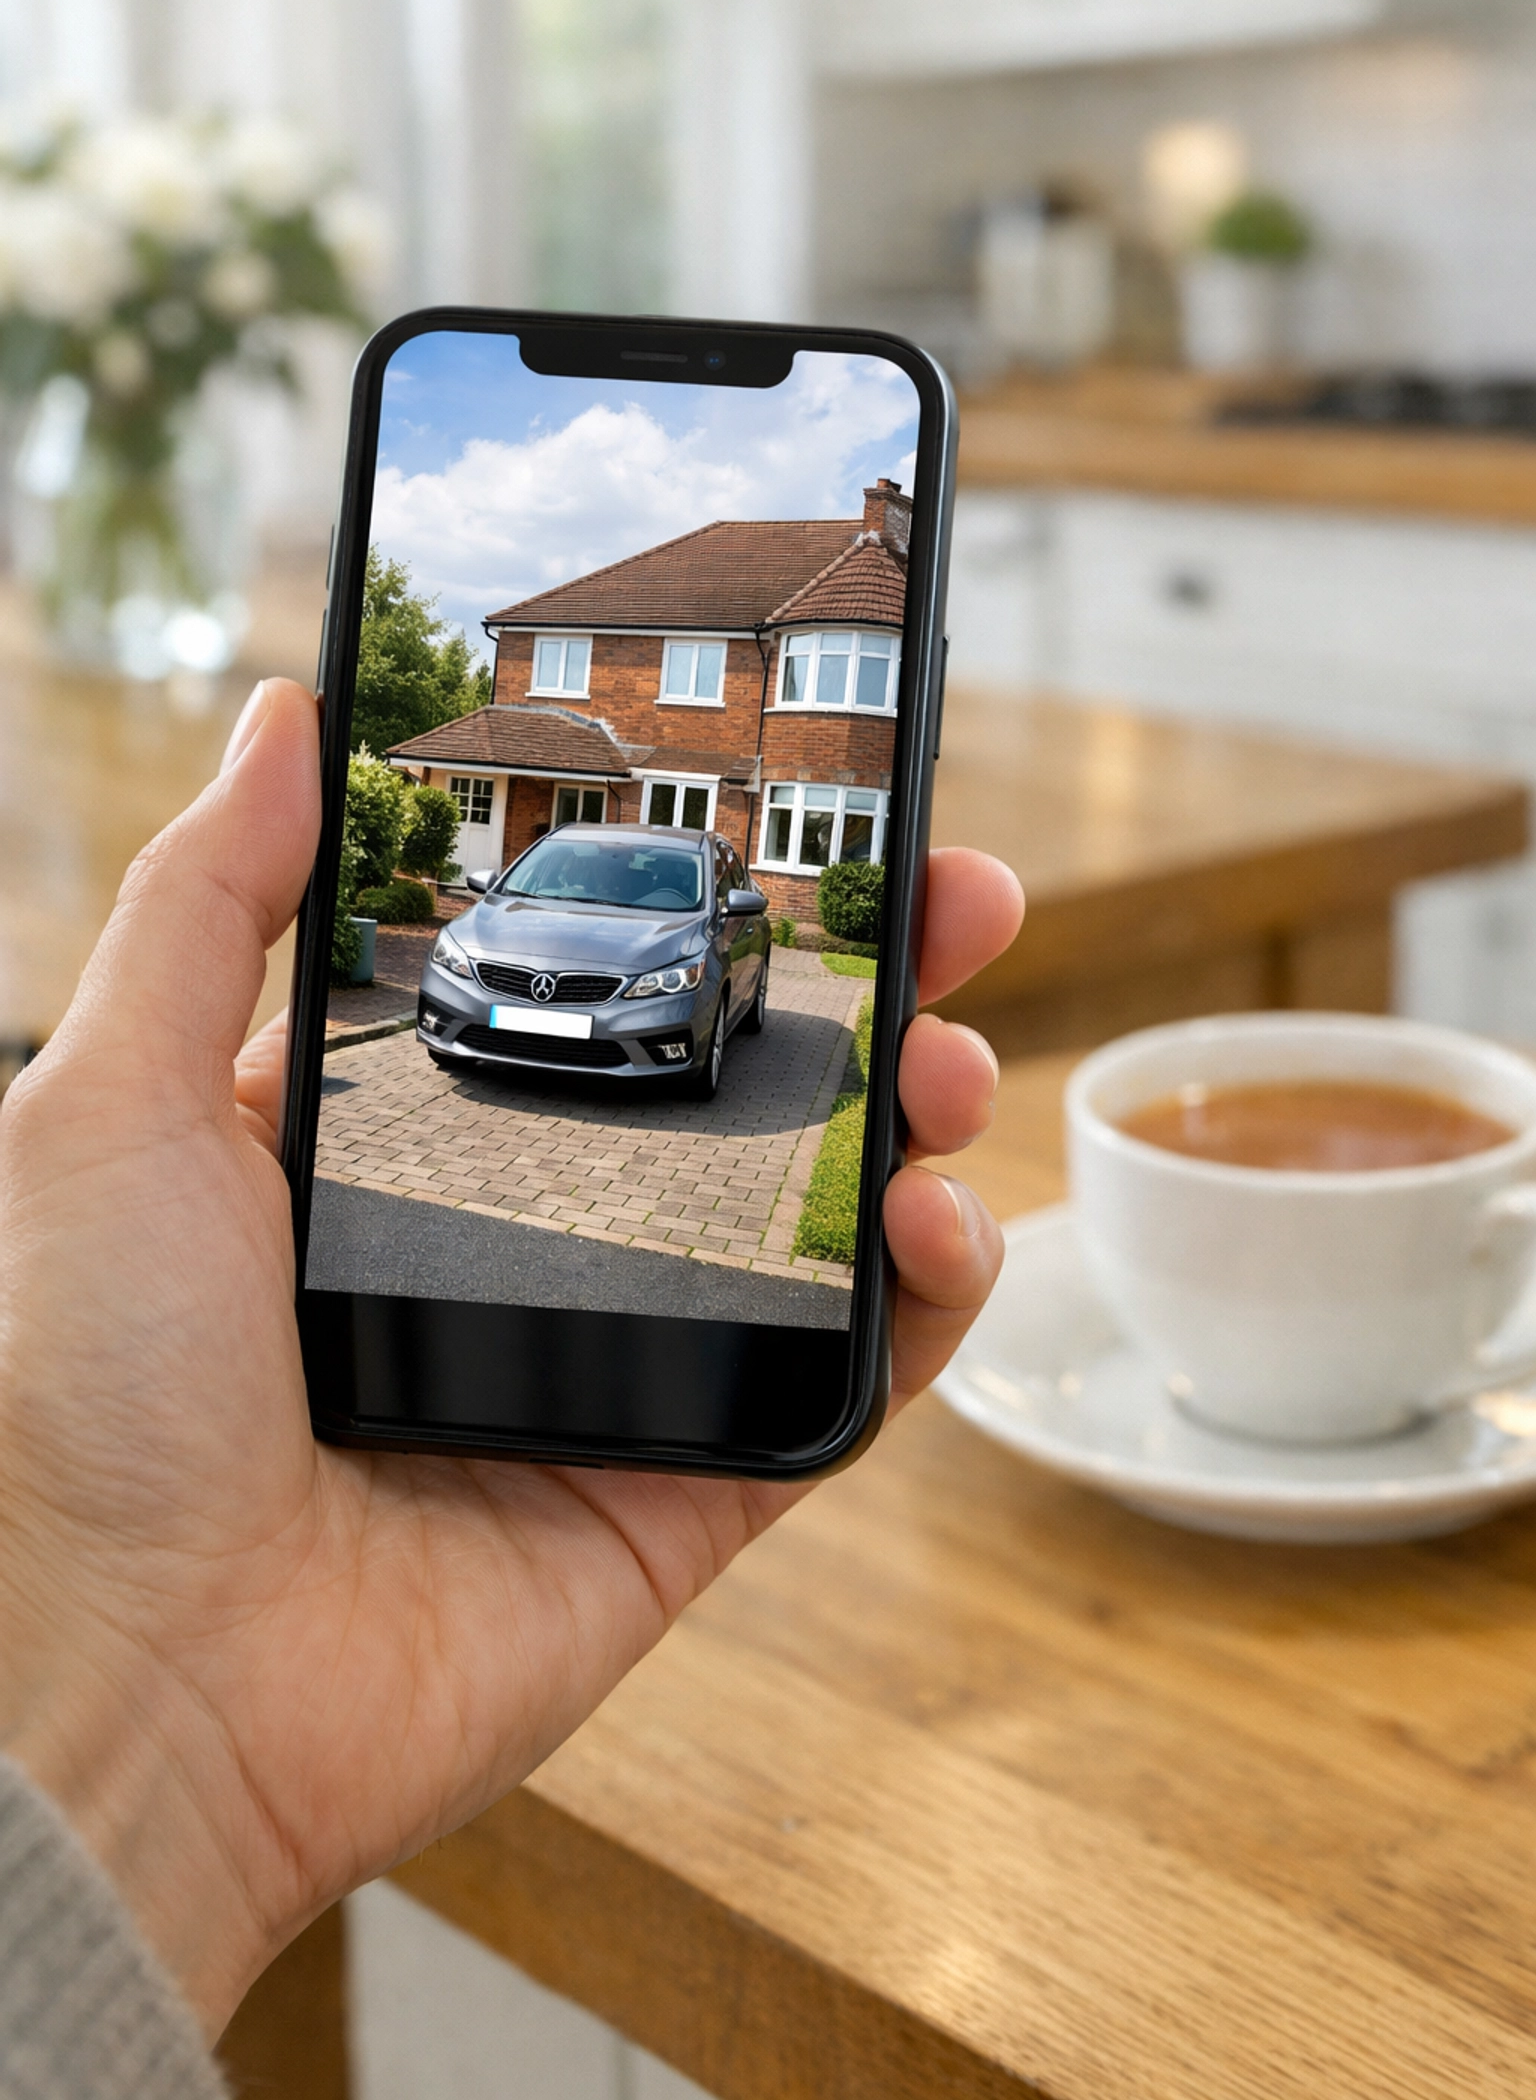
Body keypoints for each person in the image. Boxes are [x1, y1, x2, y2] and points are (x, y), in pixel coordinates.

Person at [0, 678, 1023, 2096]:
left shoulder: (706, 913)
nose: (511, 967)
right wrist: (144, 1687)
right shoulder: (494, 920)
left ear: (735, 925)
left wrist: (146, 1752)